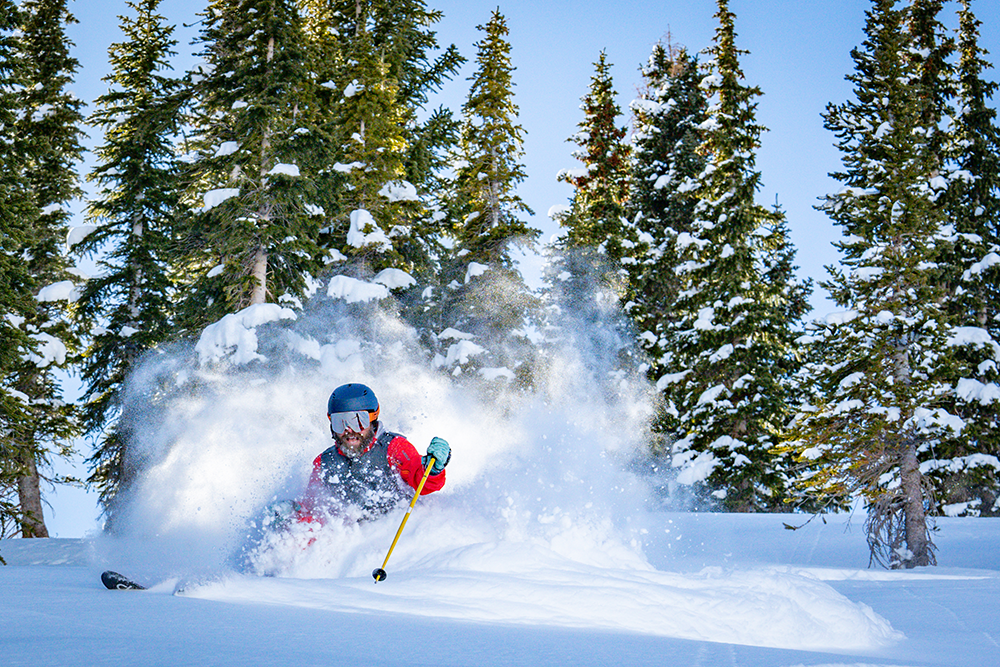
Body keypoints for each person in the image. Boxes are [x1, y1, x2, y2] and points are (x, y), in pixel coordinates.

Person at [290, 383, 451, 524]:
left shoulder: (393, 448)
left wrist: (433, 468)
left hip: (395, 535)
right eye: (340, 422)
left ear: (373, 419)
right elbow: (315, 511)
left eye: (358, 420)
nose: (349, 430)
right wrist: (293, 515)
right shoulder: (324, 462)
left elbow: (420, 480)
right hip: (354, 546)